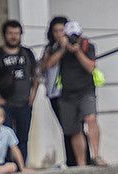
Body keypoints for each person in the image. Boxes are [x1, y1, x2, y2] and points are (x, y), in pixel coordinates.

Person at [43, 20, 104, 166]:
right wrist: (63, 49)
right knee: (74, 129)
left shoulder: (87, 46)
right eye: (70, 36)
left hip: (86, 90)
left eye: (75, 36)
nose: (73, 39)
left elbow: (90, 67)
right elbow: (48, 65)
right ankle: (81, 163)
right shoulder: (57, 47)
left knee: (90, 119)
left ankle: (96, 155)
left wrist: (77, 51)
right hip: (67, 94)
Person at [0, 19, 39, 162]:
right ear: (4, 35)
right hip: (5, 103)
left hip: (24, 103)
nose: (13, 36)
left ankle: (21, 166)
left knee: (23, 138)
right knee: (3, 137)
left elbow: (35, 75)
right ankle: (5, 166)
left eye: (16, 33)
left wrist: (33, 96)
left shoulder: (27, 53)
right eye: (10, 33)